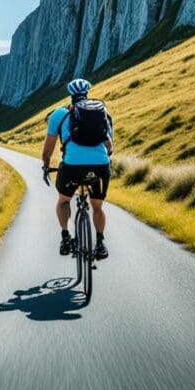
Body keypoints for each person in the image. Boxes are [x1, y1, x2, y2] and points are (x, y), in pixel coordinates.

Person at [41, 79, 113, 260]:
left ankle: (66, 237)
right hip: (100, 165)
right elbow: (109, 147)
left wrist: (46, 165)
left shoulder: (59, 114)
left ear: (70, 95)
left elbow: (48, 148)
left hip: (72, 166)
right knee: (97, 206)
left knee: (64, 201)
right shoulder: (102, 111)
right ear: (87, 93)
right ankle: (100, 243)